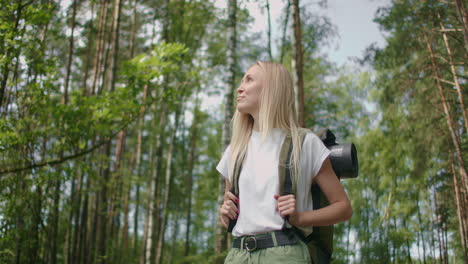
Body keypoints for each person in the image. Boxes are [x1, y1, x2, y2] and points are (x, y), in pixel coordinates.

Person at [216, 61, 353, 263]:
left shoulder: (304, 143)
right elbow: (231, 213)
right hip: (238, 255)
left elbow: (343, 207)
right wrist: (225, 213)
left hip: (284, 254)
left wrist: (300, 218)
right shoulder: (235, 150)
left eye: (249, 79)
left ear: (271, 88)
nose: (240, 87)